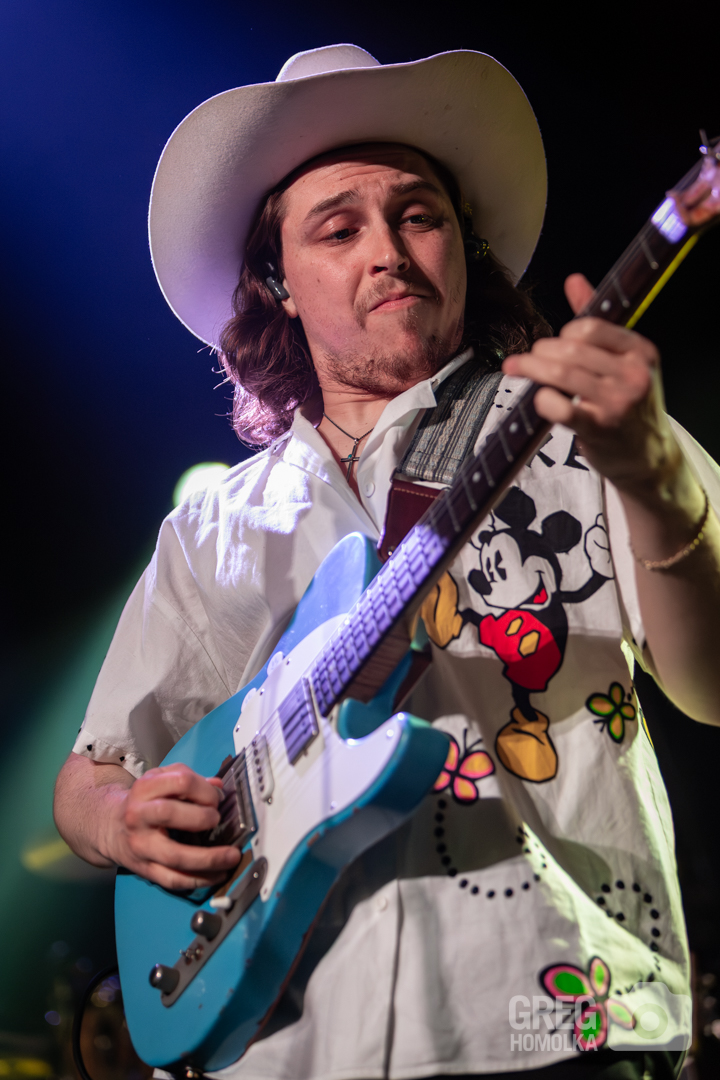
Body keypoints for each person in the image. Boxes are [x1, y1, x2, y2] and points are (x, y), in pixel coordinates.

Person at [54, 44, 720, 1080]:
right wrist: (117, 820)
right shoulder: (211, 526)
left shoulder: (584, 428)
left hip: (558, 1021)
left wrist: (657, 480)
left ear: (464, 247)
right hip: (285, 1047)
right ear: (276, 281)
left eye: (418, 216)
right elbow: (91, 773)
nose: (389, 252)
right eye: (339, 228)